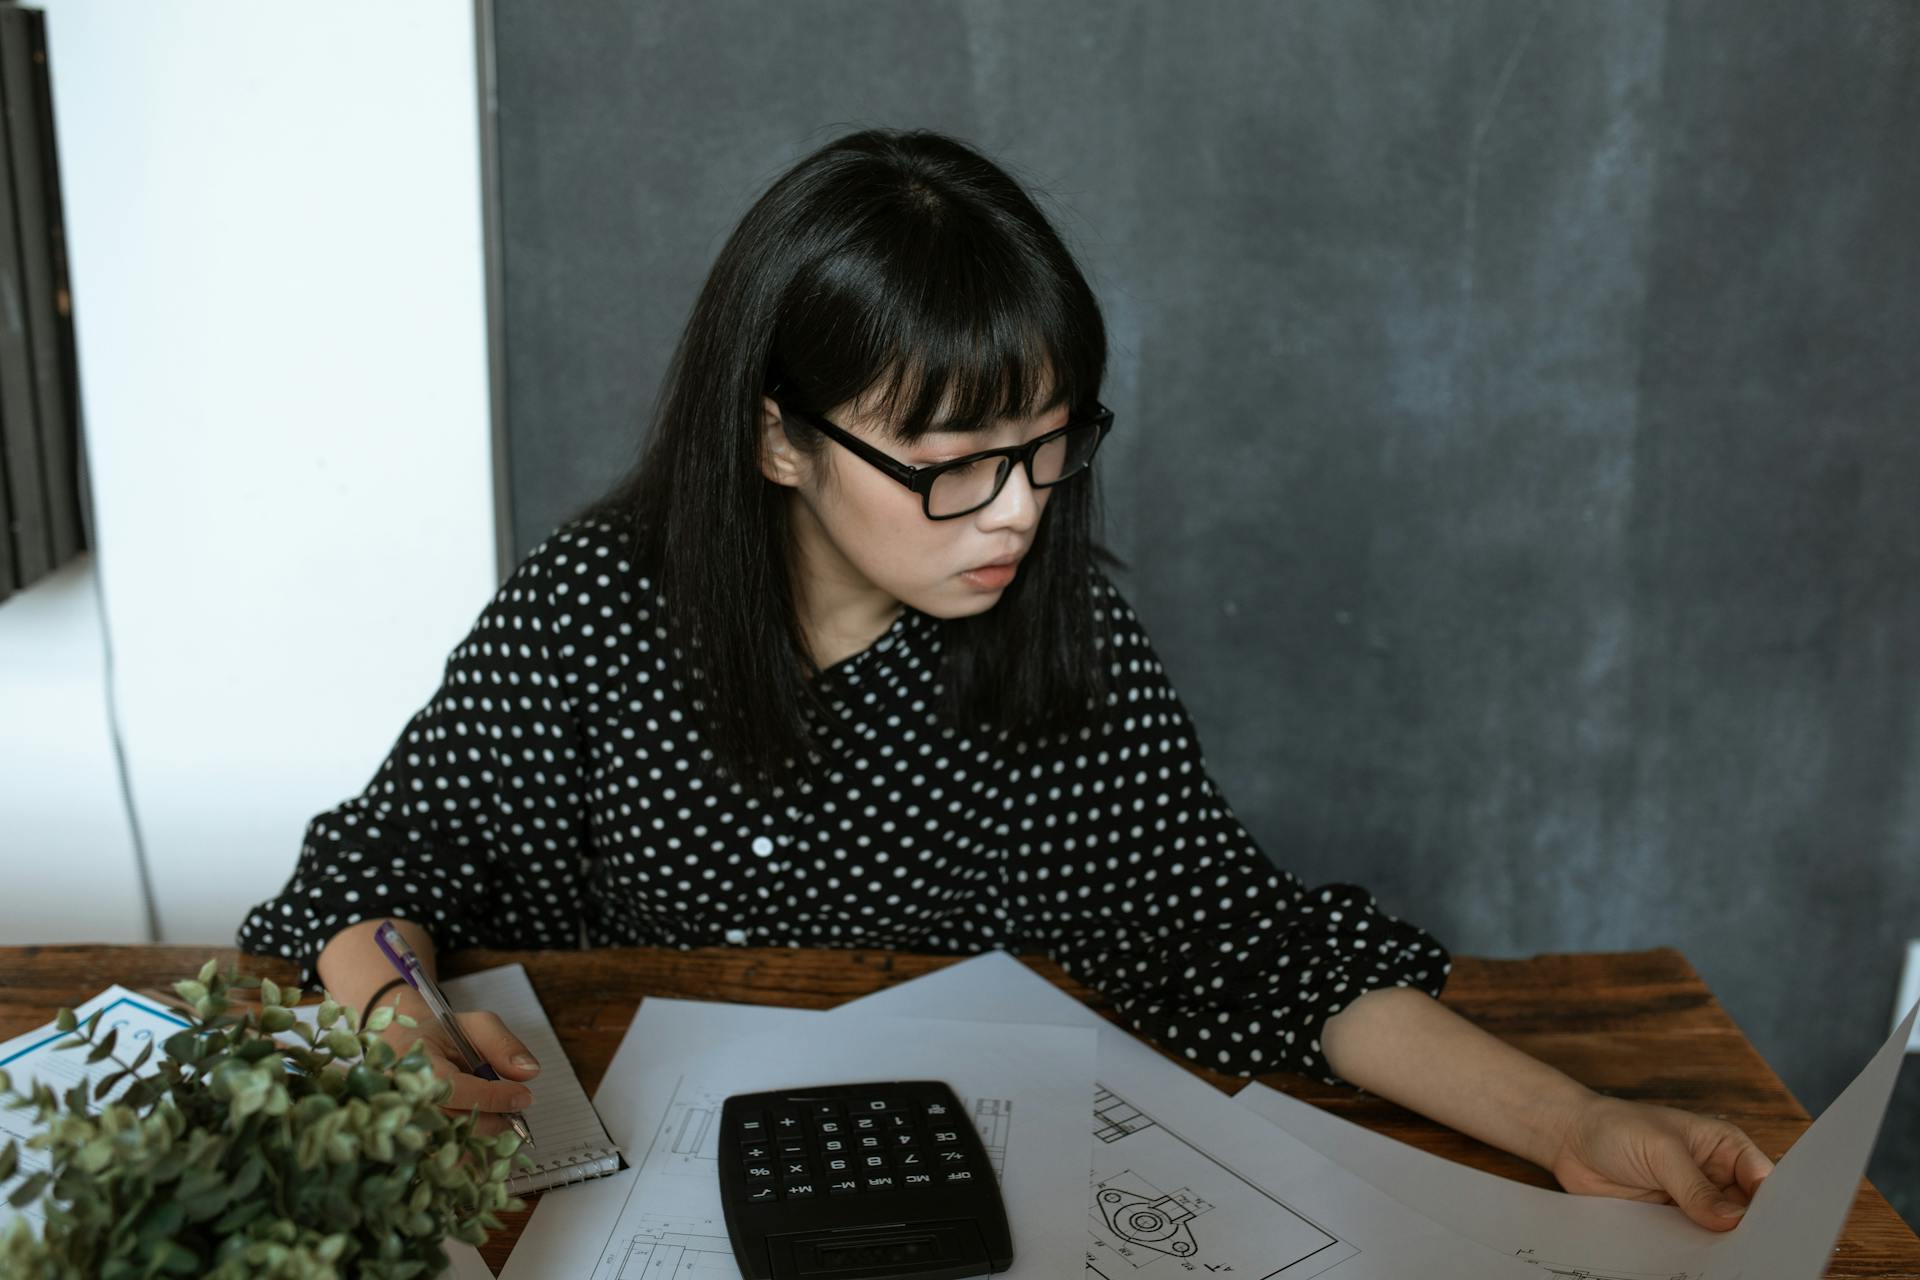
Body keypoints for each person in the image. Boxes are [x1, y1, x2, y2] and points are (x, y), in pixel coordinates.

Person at [237, 127, 1772, 1230]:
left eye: (1050, 448)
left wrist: (1579, 1122)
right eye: (955, 464)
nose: (1022, 511)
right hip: (571, 1202)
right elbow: (375, 864)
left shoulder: (1065, 650)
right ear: (780, 437)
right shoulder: (597, 608)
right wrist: (388, 1014)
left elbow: (1246, 942)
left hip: (916, 1205)